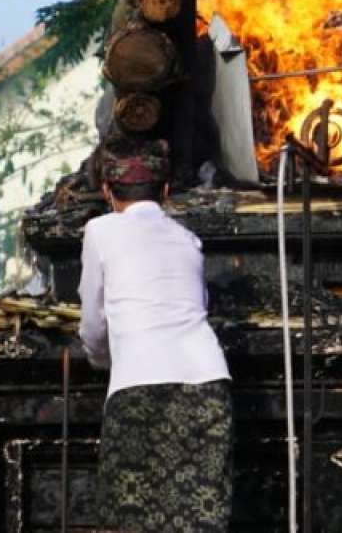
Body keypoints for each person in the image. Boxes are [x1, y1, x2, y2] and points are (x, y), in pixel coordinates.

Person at [78, 137, 232, 532]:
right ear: (165, 191)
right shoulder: (189, 240)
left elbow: (94, 327)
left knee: (131, 522)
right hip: (208, 386)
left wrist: (101, 358)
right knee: (200, 522)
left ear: (107, 190)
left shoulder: (99, 231)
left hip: (138, 389)